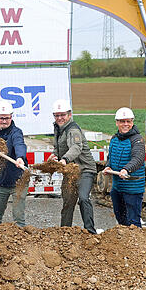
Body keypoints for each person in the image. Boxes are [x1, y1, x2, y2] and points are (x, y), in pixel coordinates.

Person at [51, 99, 98, 234]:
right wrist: (55, 156)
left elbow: (76, 147)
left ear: (69, 115)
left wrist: (65, 159)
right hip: (70, 171)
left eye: (62, 115)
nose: (60, 118)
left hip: (84, 169)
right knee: (68, 202)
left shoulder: (73, 130)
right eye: (57, 115)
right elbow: (59, 147)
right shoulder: (58, 128)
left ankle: (90, 231)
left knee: (83, 198)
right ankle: (65, 231)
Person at [0, 100, 28, 228]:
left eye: (6, 118)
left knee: (18, 217)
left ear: (11, 117)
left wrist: (20, 157)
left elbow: (19, 144)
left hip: (18, 181)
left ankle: (20, 242)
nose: (4, 121)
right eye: (1, 118)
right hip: (1, 181)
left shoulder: (16, 132)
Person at [102, 107, 145, 227]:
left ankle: (135, 244)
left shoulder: (137, 140)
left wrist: (126, 169)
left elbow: (138, 158)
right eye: (122, 121)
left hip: (133, 188)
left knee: (133, 222)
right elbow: (111, 156)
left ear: (132, 122)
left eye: (129, 121)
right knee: (120, 218)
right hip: (117, 187)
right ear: (117, 123)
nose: (126, 124)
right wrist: (108, 166)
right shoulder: (114, 139)